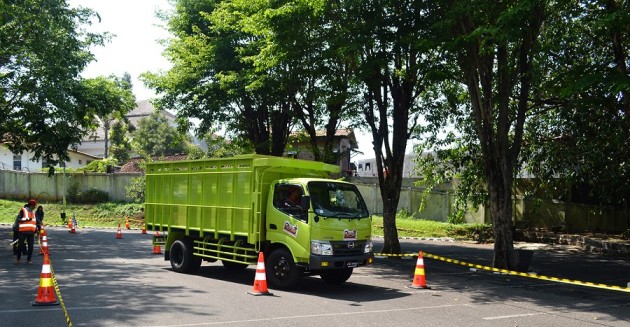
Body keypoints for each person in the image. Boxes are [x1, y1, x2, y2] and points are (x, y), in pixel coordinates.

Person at [16, 199, 39, 264]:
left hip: (31, 232)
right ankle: (18, 258)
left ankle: (29, 259)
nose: (35, 207)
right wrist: (26, 219)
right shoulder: (23, 210)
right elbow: (18, 219)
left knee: (31, 246)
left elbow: (34, 222)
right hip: (23, 231)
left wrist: (36, 229)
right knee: (20, 245)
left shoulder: (33, 212)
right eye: (34, 205)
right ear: (32, 205)